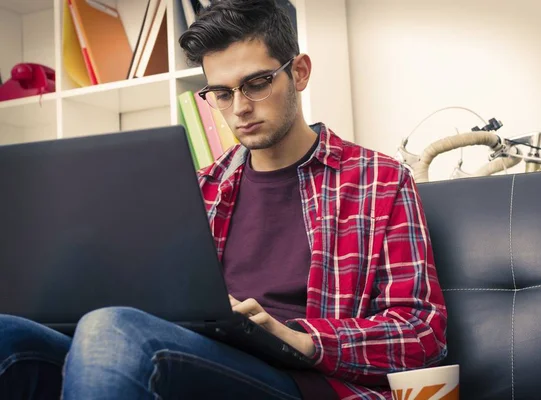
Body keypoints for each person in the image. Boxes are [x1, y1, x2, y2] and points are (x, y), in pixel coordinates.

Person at [0, 0, 447, 398]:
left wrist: (294, 336)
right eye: (221, 92)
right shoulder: (200, 186)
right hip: (198, 359)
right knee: (8, 335)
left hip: (303, 380)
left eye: (256, 83)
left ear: (300, 72)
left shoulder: (377, 180)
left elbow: (421, 332)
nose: (239, 108)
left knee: (112, 329)